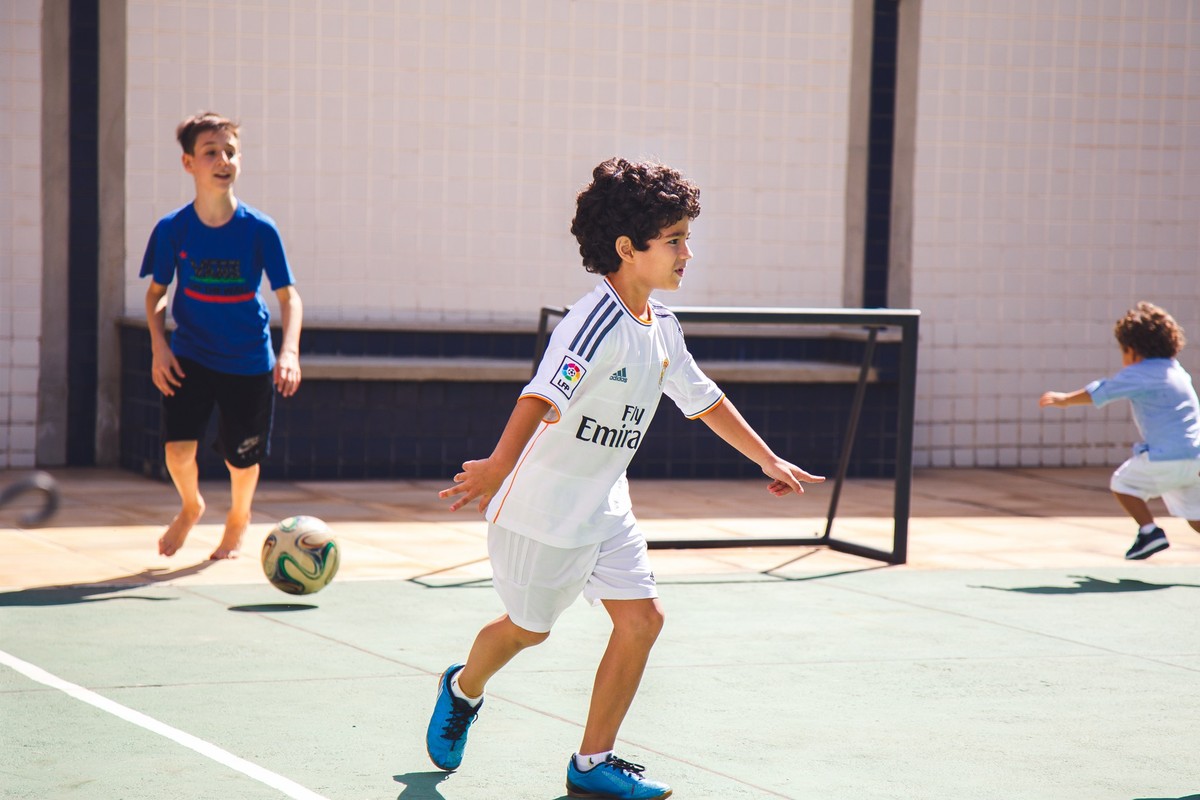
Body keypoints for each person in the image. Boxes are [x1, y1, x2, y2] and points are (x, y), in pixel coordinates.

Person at [429, 157, 825, 799]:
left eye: (686, 238)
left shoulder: (662, 327)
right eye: (674, 240)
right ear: (626, 247)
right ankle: (462, 688)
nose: (687, 253)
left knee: (643, 620)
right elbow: (541, 396)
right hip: (541, 511)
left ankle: (592, 763)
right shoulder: (594, 322)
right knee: (528, 630)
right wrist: (499, 467)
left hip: (605, 507)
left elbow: (704, 398)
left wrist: (767, 457)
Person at [140, 111, 303, 561]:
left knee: (242, 459)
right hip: (190, 354)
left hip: (249, 359)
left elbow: (290, 299)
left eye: (230, 151)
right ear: (189, 163)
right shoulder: (173, 229)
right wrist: (158, 346)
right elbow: (156, 295)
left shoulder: (260, 229)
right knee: (177, 452)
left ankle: (238, 518)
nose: (222, 159)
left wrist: (288, 352)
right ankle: (191, 506)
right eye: (211, 151)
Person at [1040, 301, 1200, 560]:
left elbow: (1104, 391)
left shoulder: (1140, 373)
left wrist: (1065, 399)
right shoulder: (1176, 371)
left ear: (1133, 350)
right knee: (1196, 515)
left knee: (1123, 483)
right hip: (1194, 458)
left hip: (1165, 456)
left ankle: (1149, 531)